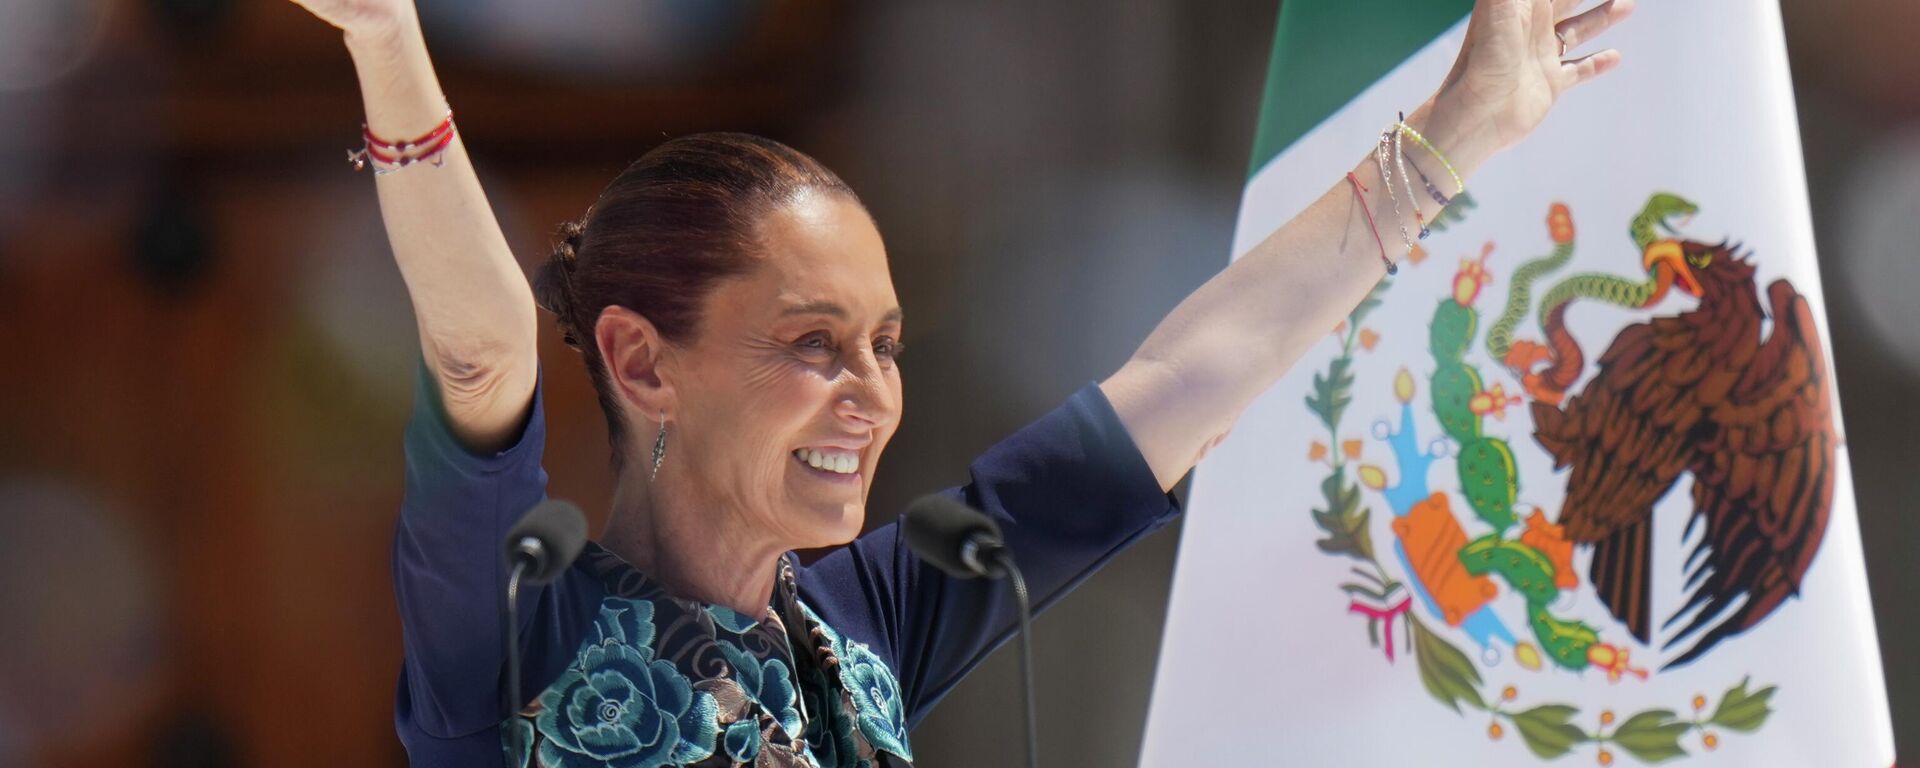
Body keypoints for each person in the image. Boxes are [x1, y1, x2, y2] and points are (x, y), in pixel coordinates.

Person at [288, 0, 1632, 765]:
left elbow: (1184, 378)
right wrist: (386, 43)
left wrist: (1463, 128)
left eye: (884, 344)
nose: (871, 393)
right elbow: (481, 351)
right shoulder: (511, 638)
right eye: (813, 345)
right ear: (645, 361)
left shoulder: (870, 618)